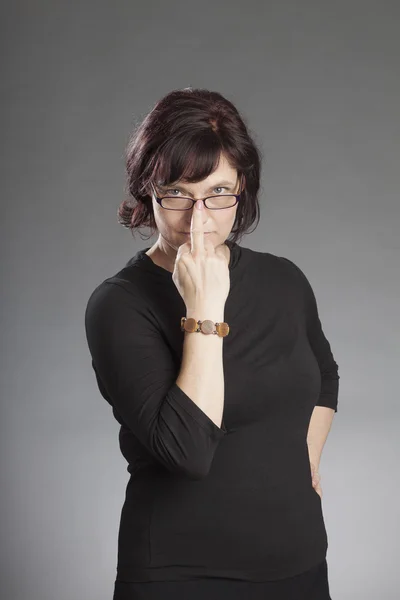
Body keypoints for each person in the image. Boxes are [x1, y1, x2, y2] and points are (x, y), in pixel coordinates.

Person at [84, 87, 340, 600]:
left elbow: (324, 377)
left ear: (242, 187)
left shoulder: (284, 280)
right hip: (181, 576)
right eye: (177, 193)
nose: (199, 218)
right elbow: (188, 452)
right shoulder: (118, 305)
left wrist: (303, 462)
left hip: (299, 563)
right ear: (147, 192)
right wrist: (203, 310)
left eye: (219, 192)